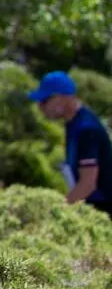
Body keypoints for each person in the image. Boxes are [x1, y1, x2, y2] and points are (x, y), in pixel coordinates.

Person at [27, 71, 112, 217]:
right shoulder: (73, 124)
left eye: (45, 101)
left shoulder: (86, 129)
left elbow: (88, 184)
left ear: (61, 98)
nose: (40, 107)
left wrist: (57, 212)